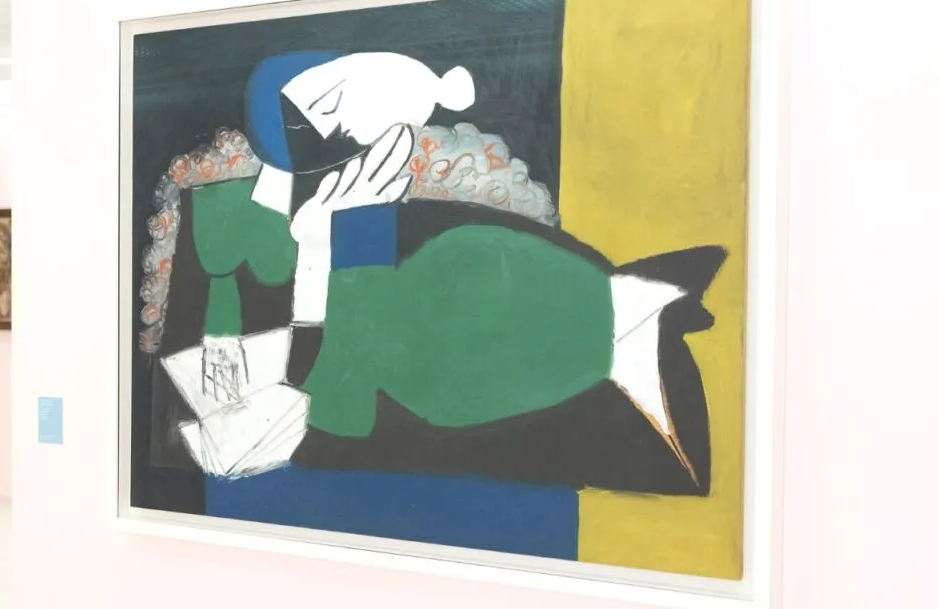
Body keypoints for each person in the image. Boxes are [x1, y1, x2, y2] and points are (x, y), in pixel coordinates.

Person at [149, 51, 723, 495]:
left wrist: (329, 258)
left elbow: (335, 397)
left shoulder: (397, 249)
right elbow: (317, 398)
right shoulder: (255, 222)